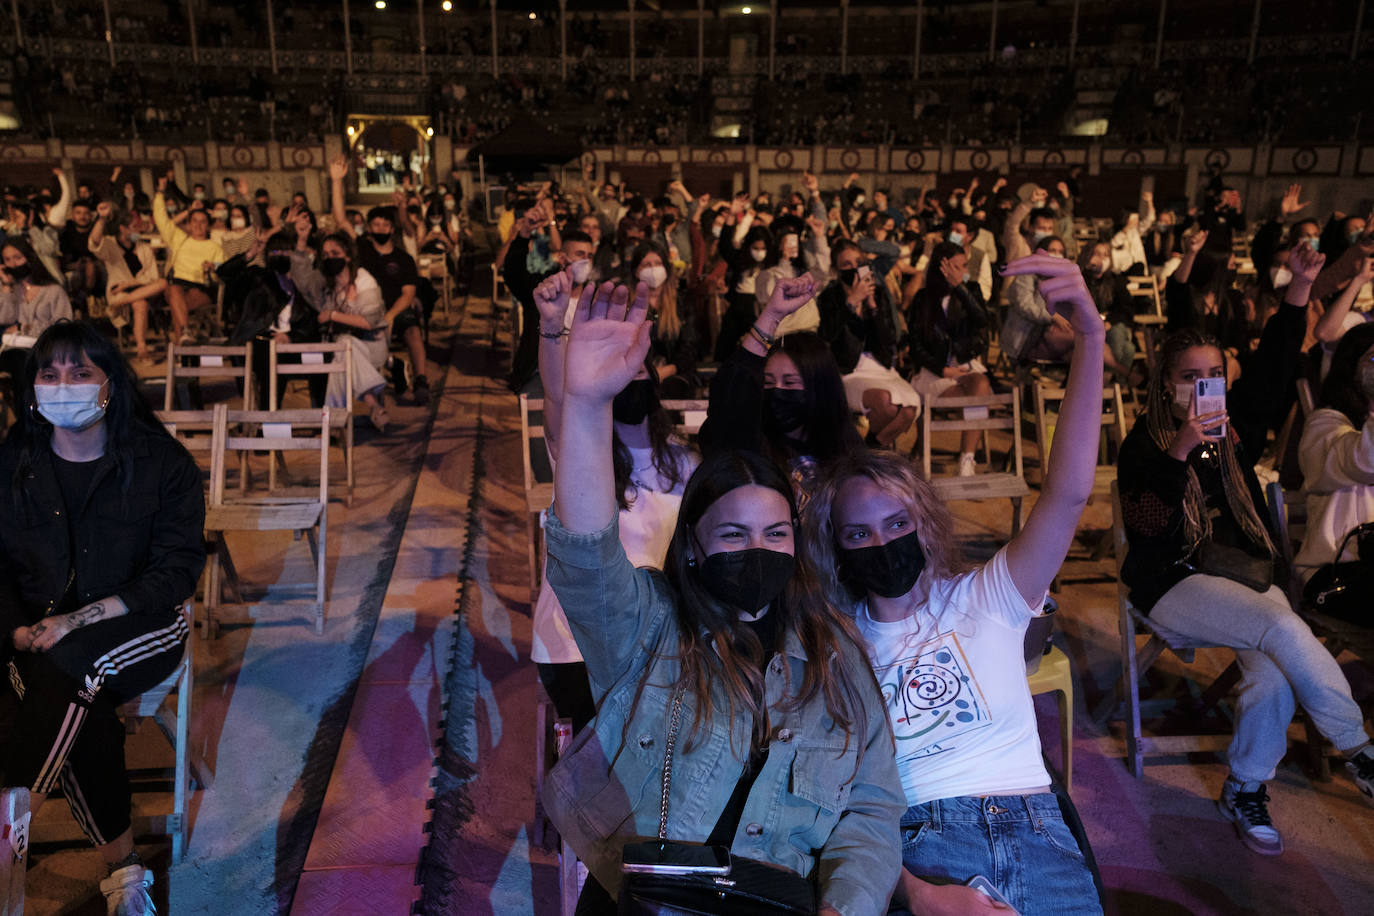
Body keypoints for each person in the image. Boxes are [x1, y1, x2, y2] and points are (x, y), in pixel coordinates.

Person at [542, 279, 905, 915]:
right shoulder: (649, 630)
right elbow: (585, 556)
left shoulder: (836, 657)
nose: (758, 550)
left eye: (776, 533)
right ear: (692, 548)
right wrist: (585, 403)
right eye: (733, 535)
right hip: (654, 899)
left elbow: (871, 808)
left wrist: (846, 905)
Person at [807, 251, 1107, 915]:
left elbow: (1069, 491)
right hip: (919, 837)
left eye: (896, 521)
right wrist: (919, 895)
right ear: (837, 548)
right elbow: (826, 796)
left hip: (1037, 827)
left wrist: (1090, 337)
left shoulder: (987, 594)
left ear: (923, 519)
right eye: (859, 534)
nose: (882, 542)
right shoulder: (835, 637)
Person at [1117, 328, 1374, 856]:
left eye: (1213, 375)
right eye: (1189, 377)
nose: (1203, 387)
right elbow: (1146, 530)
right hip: (1172, 580)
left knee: (1275, 666)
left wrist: (1300, 291)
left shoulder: (1232, 437)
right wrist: (1180, 449)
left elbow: (1275, 372)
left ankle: (1243, 790)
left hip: (1244, 577)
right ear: (1166, 383)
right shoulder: (1144, 443)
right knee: (1281, 627)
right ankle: (1360, 750)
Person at [0, 321, 205, 916]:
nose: (64, 385)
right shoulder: (15, 462)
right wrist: (15, 628)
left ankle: (11, 824)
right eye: (50, 373)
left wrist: (80, 619)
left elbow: (176, 571)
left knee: (67, 668)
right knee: (75, 705)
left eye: (81, 373)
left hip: (142, 622)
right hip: (38, 634)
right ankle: (124, 871)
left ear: (110, 386)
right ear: (33, 387)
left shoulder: (159, 462)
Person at [529, 266, 698, 732]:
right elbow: (561, 396)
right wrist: (550, 328)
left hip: (662, 636)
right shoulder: (581, 449)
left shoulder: (685, 462)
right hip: (576, 642)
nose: (628, 380)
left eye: (637, 369)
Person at [699, 276, 865, 502]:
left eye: (790, 382)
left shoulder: (846, 446)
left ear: (818, 388)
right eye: (768, 382)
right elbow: (732, 390)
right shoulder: (751, 445)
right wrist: (772, 316)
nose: (777, 390)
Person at [329, 156, 430, 405]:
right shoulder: (361, 248)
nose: (381, 228)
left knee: (413, 330)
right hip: (364, 310)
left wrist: (391, 316)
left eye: (386, 224)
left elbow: (408, 293)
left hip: (395, 310)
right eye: (376, 224)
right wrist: (336, 181)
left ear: (391, 229)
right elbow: (341, 220)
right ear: (369, 227)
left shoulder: (403, 258)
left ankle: (420, 379)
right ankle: (389, 370)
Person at [1294, 323, 1374, 614]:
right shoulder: (1323, 426)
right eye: (1373, 359)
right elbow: (1364, 462)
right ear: (1351, 367)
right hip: (1332, 571)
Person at [818, 240, 921, 449]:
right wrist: (851, 303)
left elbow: (889, 339)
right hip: (848, 371)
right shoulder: (829, 297)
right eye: (847, 264)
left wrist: (873, 307)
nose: (854, 268)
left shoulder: (879, 294)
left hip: (881, 367)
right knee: (886, 405)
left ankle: (869, 451)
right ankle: (875, 456)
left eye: (859, 261)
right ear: (836, 270)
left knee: (909, 409)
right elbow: (827, 335)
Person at [907, 241, 991, 474]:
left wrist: (960, 289)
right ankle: (966, 452)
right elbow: (915, 345)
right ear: (941, 268)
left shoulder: (970, 290)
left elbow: (983, 321)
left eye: (963, 266)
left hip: (965, 365)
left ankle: (967, 459)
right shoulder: (923, 299)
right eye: (956, 267)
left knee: (981, 384)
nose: (962, 272)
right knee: (977, 401)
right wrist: (943, 370)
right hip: (934, 370)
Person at [296, 231, 392, 431]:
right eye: (326, 254)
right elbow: (303, 281)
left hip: (371, 345)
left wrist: (333, 315)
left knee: (344, 347)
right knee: (343, 352)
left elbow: (369, 323)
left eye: (335, 253)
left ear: (347, 256)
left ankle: (334, 424)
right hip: (342, 348)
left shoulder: (365, 281)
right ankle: (371, 404)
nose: (330, 258)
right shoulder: (325, 282)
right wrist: (302, 242)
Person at [222, 229, 324, 411]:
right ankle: (267, 420)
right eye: (274, 251)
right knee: (273, 357)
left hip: (294, 342)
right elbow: (224, 273)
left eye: (285, 251)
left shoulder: (304, 283)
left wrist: (290, 337)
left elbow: (311, 321)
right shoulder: (258, 277)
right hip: (261, 341)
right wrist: (250, 254)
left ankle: (321, 422)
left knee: (322, 358)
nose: (280, 255)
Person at [88, 202, 164, 364]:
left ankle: (117, 305)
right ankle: (142, 350)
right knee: (140, 304)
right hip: (119, 289)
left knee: (163, 283)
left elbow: (152, 277)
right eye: (134, 227)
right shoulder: (110, 243)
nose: (138, 230)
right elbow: (94, 243)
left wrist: (128, 285)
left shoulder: (144, 247)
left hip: (138, 288)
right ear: (122, 228)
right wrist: (102, 219)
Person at [153, 172, 223, 345]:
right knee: (174, 289)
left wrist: (213, 267)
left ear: (208, 225)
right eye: (194, 221)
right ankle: (185, 336)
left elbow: (222, 271)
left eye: (203, 222)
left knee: (178, 305)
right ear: (189, 223)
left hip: (202, 287)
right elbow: (161, 220)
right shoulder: (180, 238)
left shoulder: (214, 246)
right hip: (178, 285)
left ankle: (181, 348)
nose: (198, 225)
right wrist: (161, 193)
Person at [0, 237, 74, 385]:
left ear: (29, 258)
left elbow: (63, 325)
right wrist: (7, 287)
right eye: (7, 260)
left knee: (23, 364)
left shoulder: (53, 290)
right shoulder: (12, 290)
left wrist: (24, 328)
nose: (12, 264)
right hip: (16, 350)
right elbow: (5, 319)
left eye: (17, 258)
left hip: (47, 350)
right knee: (16, 360)